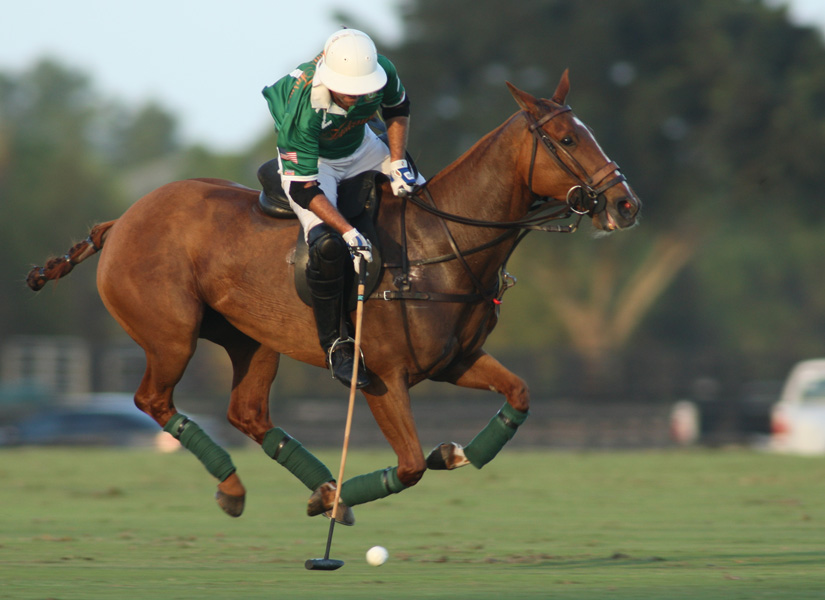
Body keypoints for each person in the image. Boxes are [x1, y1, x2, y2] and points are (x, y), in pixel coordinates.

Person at [261, 28, 425, 389]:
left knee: (423, 200)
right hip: (313, 166)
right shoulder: (300, 110)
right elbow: (304, 189)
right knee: (328, 245)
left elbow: (398, 108)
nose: (357, 97)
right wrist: (348, 232)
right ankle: (337, 344)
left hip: (362, 147)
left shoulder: (379, 71)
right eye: (348, 92)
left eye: (362, 90)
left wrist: (397, 162)